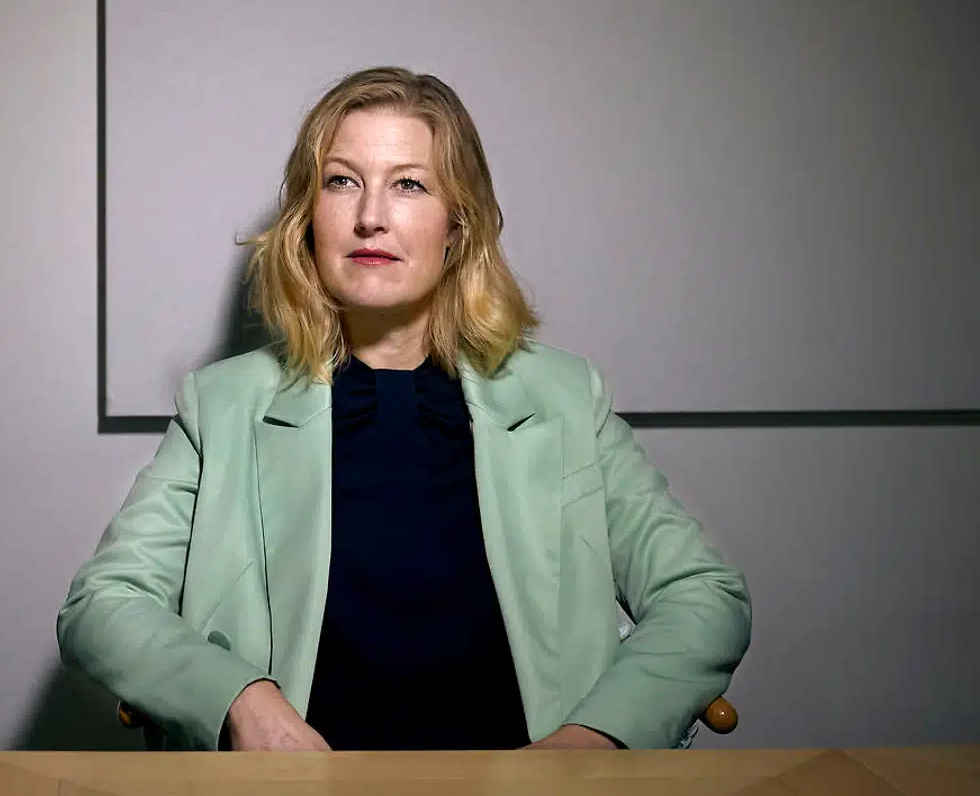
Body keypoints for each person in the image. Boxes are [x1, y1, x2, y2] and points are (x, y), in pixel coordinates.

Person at [57, 66, 752, 751]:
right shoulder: (222, 406)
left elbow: (703, 594)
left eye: (409, 184)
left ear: (458, 225)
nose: (370, 217)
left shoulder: (565, 398)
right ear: (308, 218)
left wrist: (595, 738)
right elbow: (103, 604)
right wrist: (239, 699)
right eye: (341, 181)